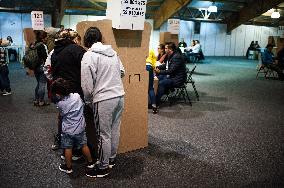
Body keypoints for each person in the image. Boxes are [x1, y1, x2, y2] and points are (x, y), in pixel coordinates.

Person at [81, 27, 125, 178]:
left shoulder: (89, 55)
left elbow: (86, 85)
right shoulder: (113, 53)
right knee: (114, 129)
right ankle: (111, 159)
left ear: (86, 39)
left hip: (103, 99)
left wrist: (88, 100)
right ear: (100, 37)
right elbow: (122, 72)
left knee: (103, 135)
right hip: (119, 96)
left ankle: (103, 167)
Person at [49, 29, 86, 151]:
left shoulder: (54, 52)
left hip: (60, 91)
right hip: (74, 90)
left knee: (63, 116)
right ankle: (76, 148)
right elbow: (87, 66)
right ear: (74, 39)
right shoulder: (75, 49)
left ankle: (62, 141)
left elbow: (48, 68)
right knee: (76, 117)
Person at [50, 78, 94, 174]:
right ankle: (90, 163)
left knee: (68, 148)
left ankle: (68, 168)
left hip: (68, 131)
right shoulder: (77, 96)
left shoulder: (60, 104)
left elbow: (61, 115)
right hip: (80, 129)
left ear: (58, 94)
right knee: (84, 145)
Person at [154, 42, 187, 111]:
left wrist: (160, 71)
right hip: (172, 76)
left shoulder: (176, 57)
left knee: (161, 83)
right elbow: (166, 65)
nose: (164, 49)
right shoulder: (171, 55)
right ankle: (157, 96)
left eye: (166, 48)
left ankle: (156, 103)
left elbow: (171, 71)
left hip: (177, 79)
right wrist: (157, 67)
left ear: (170, 49)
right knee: (157, 78)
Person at [33, 30, 48, 106]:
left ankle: (36, 100)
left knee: (38, 83)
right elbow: (46, 57)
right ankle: (41, 101)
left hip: (35, 67)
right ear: (43, 38)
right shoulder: (43, 46)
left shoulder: (34, 44)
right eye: (46, 37)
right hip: (42, 67)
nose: (46, 39)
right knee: (42, 84)